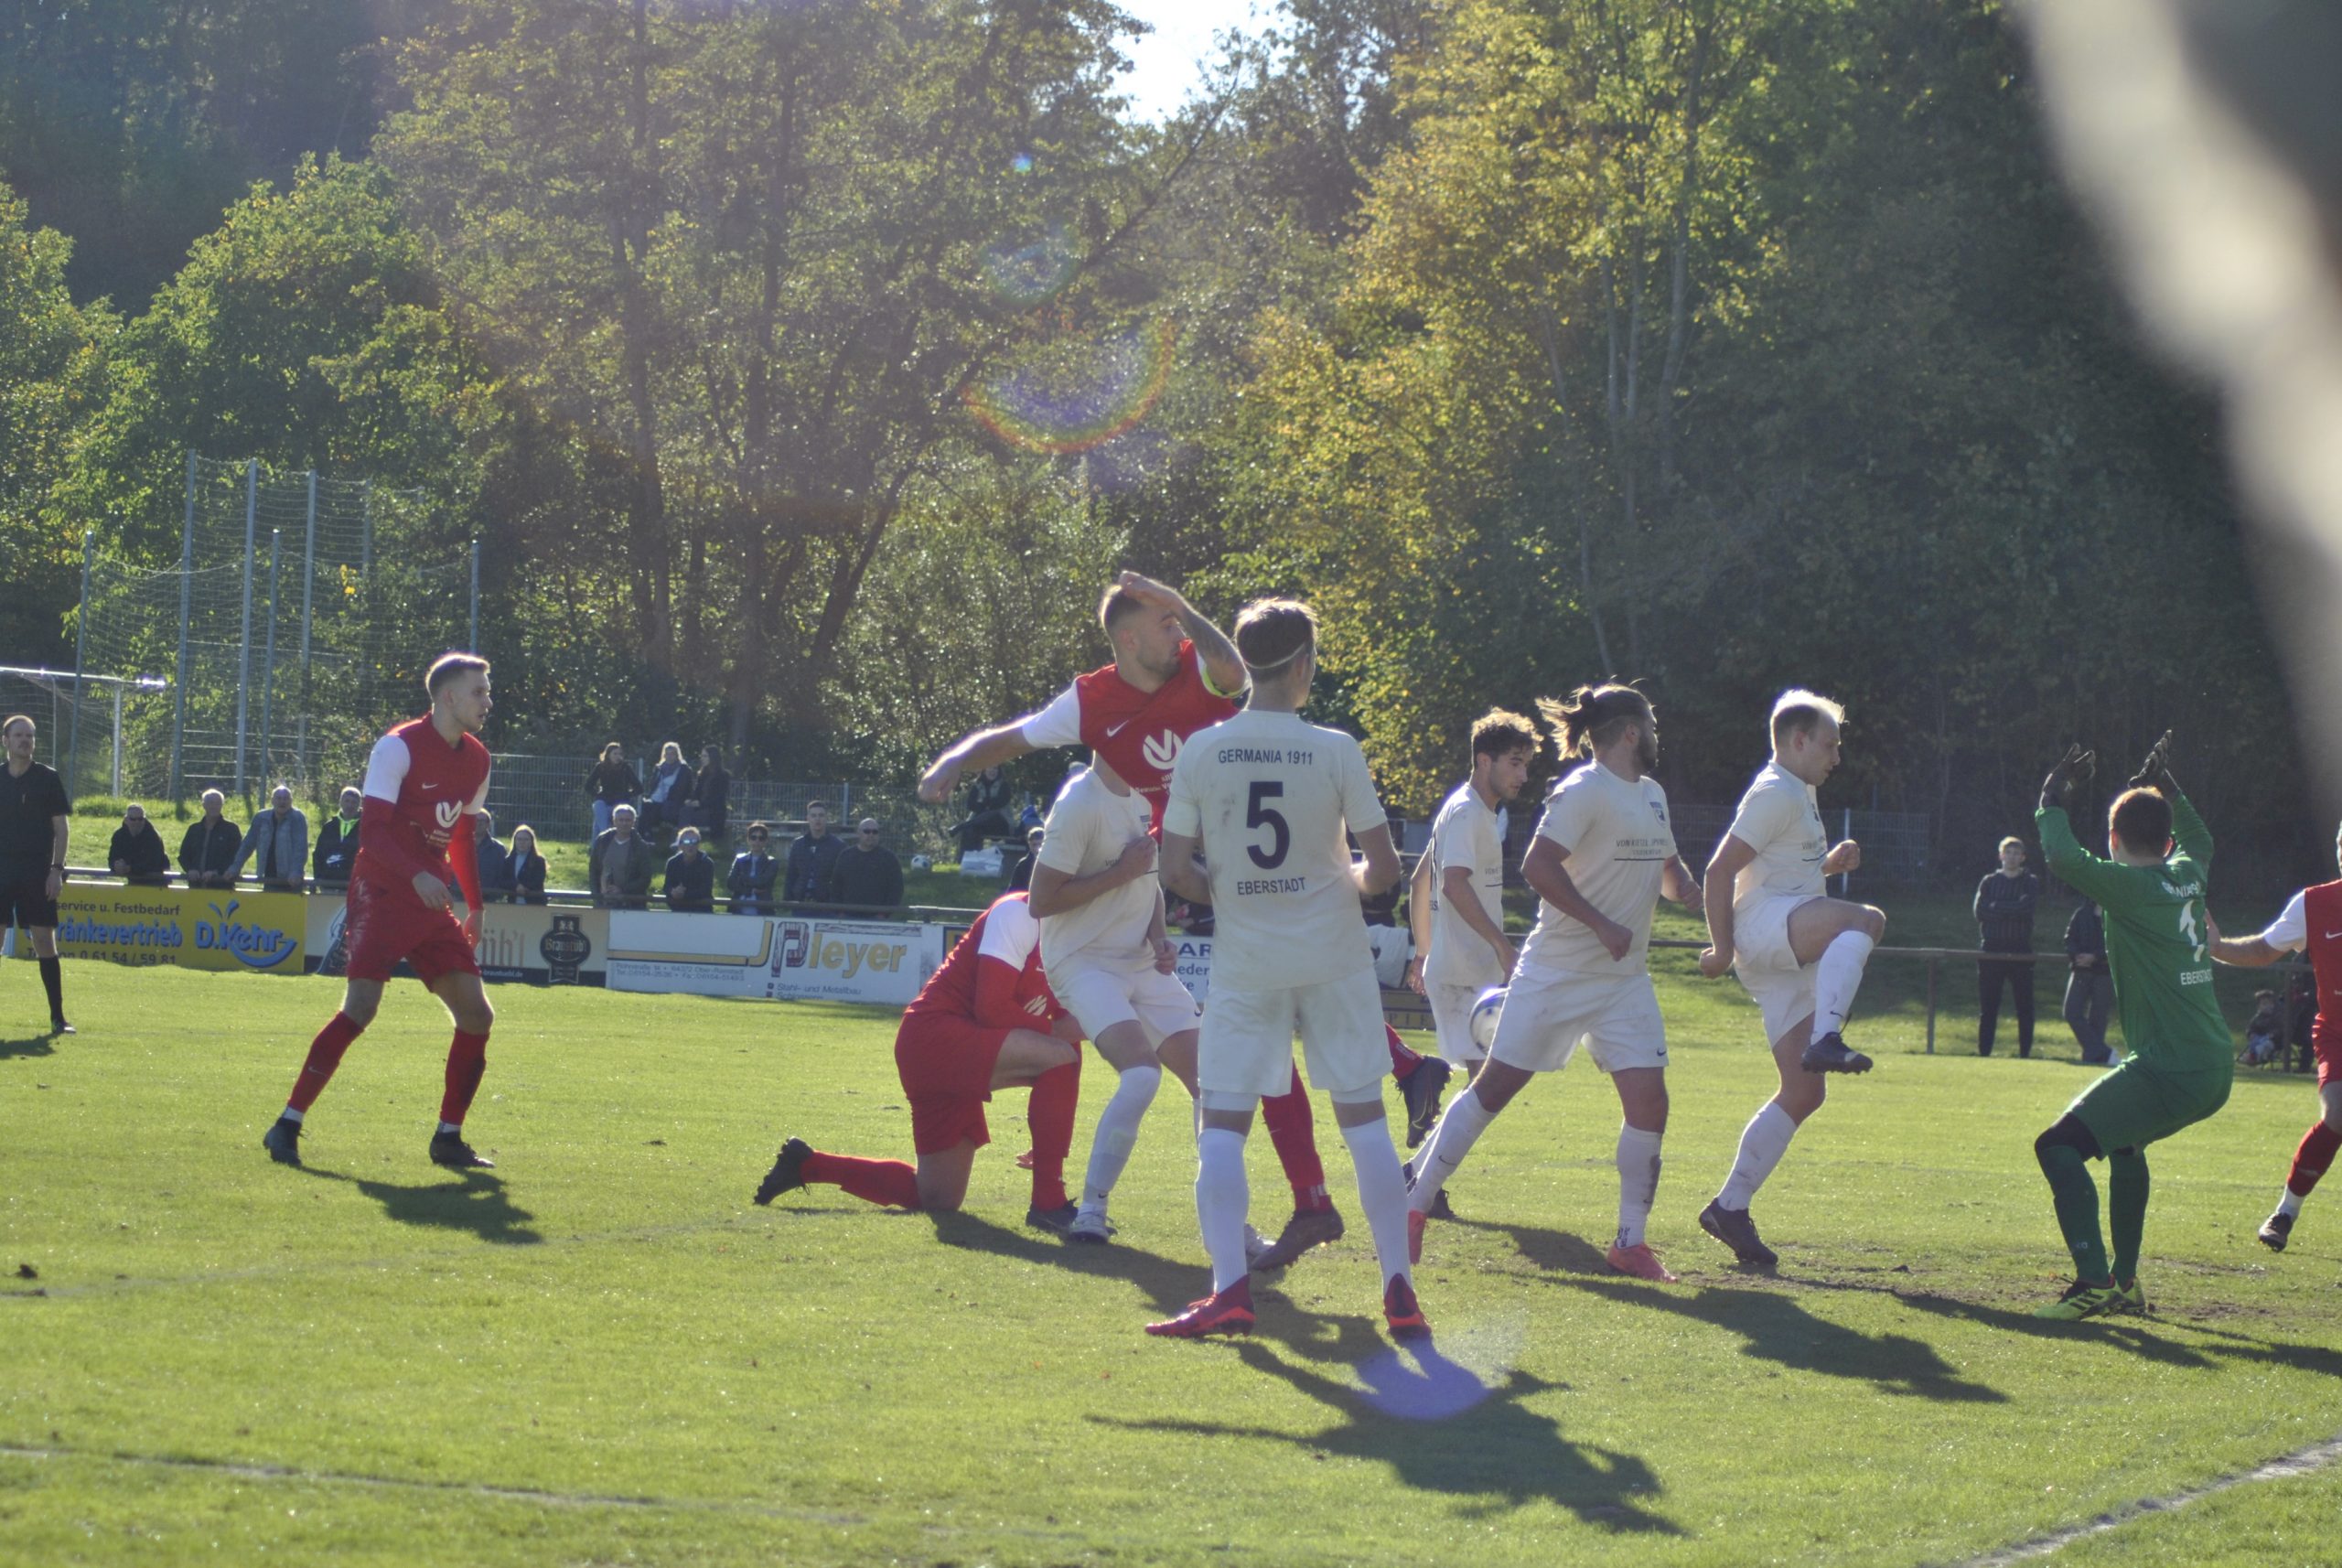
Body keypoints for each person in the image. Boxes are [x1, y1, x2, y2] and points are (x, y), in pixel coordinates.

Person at [918, 570, 1445, 1273]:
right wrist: (953, 760)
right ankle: (1115, 1211)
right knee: (1206, 1067)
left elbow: (1231, 671)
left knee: (1245, 1068)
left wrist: (1180, 606)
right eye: (1163, 624)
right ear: (1129, 640)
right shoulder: (1087, 723)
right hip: (1146, 917)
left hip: (1199, 897)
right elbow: (1013, 742)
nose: (1178, 633)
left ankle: (1290, 1215)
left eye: (1178, 622)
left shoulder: (1199, 666)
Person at [1151, 598, 1423, 1339]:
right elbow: (1384, 871)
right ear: (1303, 663)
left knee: (1222, 1128)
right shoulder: (1336, 748)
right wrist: (1344, 880)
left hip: (1247, 962)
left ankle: (1229, 1292)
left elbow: (1174, 871)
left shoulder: (1202, 749)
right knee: (1365, 1123)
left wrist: (1237, 898)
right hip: (1335, 959)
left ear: (1246, 663)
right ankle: (1398, 1291)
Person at [1406, 684, 1703, 1283]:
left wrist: (1701, 894)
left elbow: (1670, 876)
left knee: (1650, 1104)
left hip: (1623, 981)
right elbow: (1537, 866)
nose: (1654, 735)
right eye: (1649, 725)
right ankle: (1412, 1204)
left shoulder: (1653, 796)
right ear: (1630, 732)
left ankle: (1630, 1243)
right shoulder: (1583, 790)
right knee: (1492, 1091)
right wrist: (1601, 923)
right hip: (1555, 973)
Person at [261, 654, 499, 1171]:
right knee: (360, 1009)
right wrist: (416, 875)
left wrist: (475, 906)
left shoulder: (479, 760)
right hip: (383, 892)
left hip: (429, 898)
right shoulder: (397, 746)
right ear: (448, 697)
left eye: (487, 691)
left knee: (477, 1015)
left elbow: (462, 837)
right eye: (478, 692)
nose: (488, 701)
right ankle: (287, 1125)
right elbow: (372, 834)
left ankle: (448, 1138)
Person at [2029, 734, 2230, 1318]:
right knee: (2124, 1144)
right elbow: (2200, 839)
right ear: (2167, 843)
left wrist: (2051, 797)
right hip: (2213, 1063)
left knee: (2056, 1147)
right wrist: (2169, 787)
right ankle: (2124, 1282)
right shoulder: (2188, 871)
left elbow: (2062, 857)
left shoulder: (2127, 887)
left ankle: (2094, 1283)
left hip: (2170, 1067)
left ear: (2113, 840)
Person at [755, 891, 1087, 1228]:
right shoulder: (1019, 913)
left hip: (952, 1049)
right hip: (934, 1039)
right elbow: (992, 1009)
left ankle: (807, 1164)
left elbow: (1070, 1035)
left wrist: (1053, 1141)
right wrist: (1061, 1031)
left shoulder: (1076, 937)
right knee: (1059, 1056)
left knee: (939, 1197)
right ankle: (1048, 1204)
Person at [1692, 689, 1885, 1269]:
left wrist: (1828, 866)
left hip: (1779, 938)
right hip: (1764, 929)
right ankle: (1828, 1036)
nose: (1836, 756)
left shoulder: (1797, 792)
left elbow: (1776, 869)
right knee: (1866, 920)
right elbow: (1718, 871)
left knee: (1805, 1091)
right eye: (1829, 745)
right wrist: (1722, 947)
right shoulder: (1776, 791)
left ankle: (1729, 1207)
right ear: (1798, 741)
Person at [1030, 757, 1197, 1245]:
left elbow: (1148, 881)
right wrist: (1122, 872)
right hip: (1082, 961)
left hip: (1140, 961)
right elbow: (1040, 901)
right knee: (1142, 1075)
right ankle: (1091, 1210)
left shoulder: (1151, 793)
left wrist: (1159, 938)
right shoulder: (1079, 802)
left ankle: (1227, 1220)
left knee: (1215, 1085)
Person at [2208, 817, 2342, 1254]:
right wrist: (2216, 946)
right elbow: (2265, 949)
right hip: (2337, 1032)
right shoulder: (2313, 903)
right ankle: (2285, 1212)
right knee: (2338, 1114)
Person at [1407, 709, 1538, 1078]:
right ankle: (1422, 1085)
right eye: (1515, 763)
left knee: (1485, 1088)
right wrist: (1503, 946)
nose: (1523, 776)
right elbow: (1452, 883)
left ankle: (1425, 1089)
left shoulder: (1464, 807)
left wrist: (1423, 954)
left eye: (1526, 765)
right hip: (1463, 975)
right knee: (1486, 1088)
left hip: (1462, 972)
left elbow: (1420, 880)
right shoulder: (1468, 813)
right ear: (1484, 761)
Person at [0, 715, 73, 1035]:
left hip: (37, 870)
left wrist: (56, 870)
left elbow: (61, 828)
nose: (25, 741)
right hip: (2, 869)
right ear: (6, 741)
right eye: (19, 735)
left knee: (44, 939)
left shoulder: (47, 778)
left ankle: (58, 1017)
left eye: (29, 736)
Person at [1974, 835, 2042, 1058]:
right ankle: (1984, 1054)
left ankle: (2025, 1055)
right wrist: (2012, 907)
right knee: (1988, 1008)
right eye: (2008, 853)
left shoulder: (2030, 882)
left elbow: (2026, 910)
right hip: (1991, 950)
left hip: (2021, 951)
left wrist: (1996, 907)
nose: (2012, 857)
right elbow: (1980, 912)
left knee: (2025, 1008)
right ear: (2001, 856)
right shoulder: (1988, 882)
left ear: (2023, 857)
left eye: (2016, 853)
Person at [231, 785, 309, 892]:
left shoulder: (297, 818)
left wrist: (296, 872)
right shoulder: (261, 818)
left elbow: (300, 848)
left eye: (286, 798)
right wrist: (235, 868)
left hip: (291, 881)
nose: (282, 802)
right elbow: (247, 845)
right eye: (279, 798)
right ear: (272, 800)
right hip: (268, 878)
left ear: (291, 801)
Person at [2065, 897, 2114, 1064]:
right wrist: (2076, 955)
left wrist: (2095, 956)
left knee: (2098, 1017)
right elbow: (2069, 938)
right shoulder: (2082, 913)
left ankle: (2094, 1058)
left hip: (2104, 972)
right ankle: (2103, 1052)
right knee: (2071, 1012)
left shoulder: (2114, 915)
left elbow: (2115, 943)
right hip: (2081, 970)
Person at [591, 803, 656, 909]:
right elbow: (593, 870)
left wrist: (622, 890)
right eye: (620, 820)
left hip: (631, 905)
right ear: (614, 821)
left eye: (628, 820)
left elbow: (645, 878)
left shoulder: (641, 847)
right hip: (603, 903)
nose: (624, 823)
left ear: (633, 822)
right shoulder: (602, 841)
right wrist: (596, 895)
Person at [833, 818, 904, 911]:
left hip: (877, 916)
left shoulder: (889, 858)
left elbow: (896, 889)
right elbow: (836, 886)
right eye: (867, 831)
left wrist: (883, 914)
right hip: (847, 915)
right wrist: (840, 912)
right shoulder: (846, 856)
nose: (871, 835)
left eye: (875, 832)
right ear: (858, 833)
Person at [784, 800, 843, 905]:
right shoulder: (798, 844)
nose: (817, 819)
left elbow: (842, 877)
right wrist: (787, 899)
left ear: (826, 818)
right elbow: (791, 874)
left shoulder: (838, 846)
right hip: (800, 901)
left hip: (827, 903)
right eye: (814, 815)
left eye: (821, 815)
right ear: (808, 818)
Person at [178, 789, 242, 889]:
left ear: (222, 805)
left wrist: (216, 872)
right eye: (211, 803)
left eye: (218, 803)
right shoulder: (194, 829)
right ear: (204, 805)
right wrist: (190, 869)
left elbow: (235, 856)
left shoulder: (231, 829)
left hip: (221, 886)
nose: (214, 806)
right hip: (195, 886)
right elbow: (183, 855)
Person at [313, 786, 363, 891]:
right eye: (347, 801)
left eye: (354, 802)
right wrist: (319, 878)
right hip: (328, 885)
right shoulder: (329, 826)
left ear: (359, 805)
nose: (350, 805)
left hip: (353, 888)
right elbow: (318, 854)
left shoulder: (364, 827)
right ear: (340, 802)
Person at [955, 766, 1015, 854]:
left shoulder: (1004, 785)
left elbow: (999, 803)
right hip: (981, 824)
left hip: (1001, 825)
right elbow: (970, 804)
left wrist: (982, 803)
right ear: (984, 770)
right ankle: (966, 858)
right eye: (990, 768)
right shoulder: (977, 785)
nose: (993, 771)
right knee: (968, 831)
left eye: (995, 768)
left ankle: (962, 826)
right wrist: (986, 804)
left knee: (991, 815)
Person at [108, 803, 170, 886]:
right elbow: (112, 858)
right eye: (133, 819)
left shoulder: (153, 836)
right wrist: (116, 865)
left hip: (156, 881)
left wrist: (129, 868)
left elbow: (152, 863)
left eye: (140, 819)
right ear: (126, 820)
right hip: (134, 880)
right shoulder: (119, 836)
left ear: (144, 819)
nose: (137, 822)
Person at [586, 742, 639, 839]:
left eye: (620, 754)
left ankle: (603, 840)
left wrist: (625, 796)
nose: (617, 756)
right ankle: (604, 835)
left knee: (598, 821)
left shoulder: (626, 768)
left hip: (620, 802)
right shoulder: (600, 767)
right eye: (615, 754)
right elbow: (588, 786)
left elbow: (639, 788)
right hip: (605, 800)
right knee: (598, 806)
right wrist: (598, 795)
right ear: (608, 755)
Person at [642, 741, 694, 837]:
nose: (669, 756)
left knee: (666, 808)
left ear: (677, 755)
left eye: (672, 754)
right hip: (656, 800)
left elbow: (688, 789)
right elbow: (652, 786)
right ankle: (645, 836)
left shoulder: (684, 770)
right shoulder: (659, 768)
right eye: (667, 754)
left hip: (674, 802)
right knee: (645, 806)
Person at [728, 822, 779, 913]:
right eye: (753, 837)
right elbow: (731, 883)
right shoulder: (739, 859)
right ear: (748, 839)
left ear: (766, 841)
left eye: (761, 838)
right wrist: (751, 890)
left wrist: (742, 879)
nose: (757, 841)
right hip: (738, 908)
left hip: (762, 909)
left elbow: (762, 882)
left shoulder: (772, 862)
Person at [664, 827, 715, 911]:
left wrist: (683, 895)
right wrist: (672, 892)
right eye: (686, 842)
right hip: (678, 910)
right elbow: (667, 886)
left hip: (702, 910)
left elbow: (706, 890)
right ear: (680, 845)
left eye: (694, 842)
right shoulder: (672, 863)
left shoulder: (707, 863)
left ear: (699, 845)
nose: (691, 845)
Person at [688, 745, 729, 837]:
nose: (702, 758)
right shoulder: (702, 774)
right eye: (702, 756)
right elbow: (697, 792)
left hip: (714, 812)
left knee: (686, 814)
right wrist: (691, 800)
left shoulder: (723, 775)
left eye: (705, 756)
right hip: (700, 809)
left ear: (713, 757)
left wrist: (701, 803)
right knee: (684, 810)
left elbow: (718, 798)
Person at [474, 811, 514, 901]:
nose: (479, 823)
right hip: (461, 897)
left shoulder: (498, 848)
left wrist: (495, 895)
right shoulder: (461, 846)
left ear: (488, 824)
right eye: (476, 820)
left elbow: (502, 874)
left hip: (489, 900)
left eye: (482, 821)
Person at [506, 823, 549, 905]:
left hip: (534, 903)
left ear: (531, 842)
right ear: (514, 841)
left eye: (526, 839)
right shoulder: (508, 860)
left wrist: (523, 887)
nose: (522, 842)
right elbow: (503, 880)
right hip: (513, 903)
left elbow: (538, 881)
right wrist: (516, 886)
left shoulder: (539, 861)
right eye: (519, 839)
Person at [2243, 991, 2285, 1067]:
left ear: (2273, 1005)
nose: (2267, 1006)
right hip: (2259, 1039)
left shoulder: (2277, 1016)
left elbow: (2281, 1028)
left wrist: (2273, 1034)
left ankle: (2256, 1059)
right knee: (2253, 1044)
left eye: (2270, 1004)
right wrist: (2250, 1033)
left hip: (2274, 1042)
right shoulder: (2257, 1018)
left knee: (2265, 1045)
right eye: (2264, 1004)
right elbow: (2250, 1027)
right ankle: (2252, 1056)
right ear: (2259, 1007)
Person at [1005, 823, 1046, 894]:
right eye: (1034, 845)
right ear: (1029, 844)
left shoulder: (1054, 862)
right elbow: (1013, 890)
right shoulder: (1023, 865)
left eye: (1040, 844)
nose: (1037, 849)